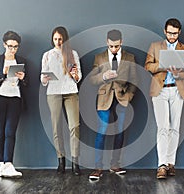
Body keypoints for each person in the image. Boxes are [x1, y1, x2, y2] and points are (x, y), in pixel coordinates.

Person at [145, 18, 184, 179]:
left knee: (175, 127)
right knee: (163, 127)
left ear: (179, 32)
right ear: (165, 31)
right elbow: (148, 66)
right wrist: (163, 66)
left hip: (177, 91)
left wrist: (178, 73)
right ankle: (162, 165)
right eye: (169, 33)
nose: (172, 36)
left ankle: (171, 163)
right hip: (160, 91)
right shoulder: (155, 46)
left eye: (175, 33)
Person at [89, 29, 138, 181]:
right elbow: (91, 80)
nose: (114, 49)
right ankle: (98, 167)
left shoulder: (130, 57)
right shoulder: (99, 57)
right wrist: (103, 76)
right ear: (107, 42)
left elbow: (135, 81)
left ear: (121, 42)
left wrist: (128, 97)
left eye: (116, 46)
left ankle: (115, 165)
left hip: (122, 99)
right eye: (111, 46)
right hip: (104, 99)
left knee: (120, 132)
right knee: (102, 131)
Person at [41, 26, 82, 175]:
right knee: (56, 127)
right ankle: (61, 160)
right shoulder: (47, 55)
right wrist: (44, 78)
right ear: (52, 39)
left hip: (71, 91)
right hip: (53, 92)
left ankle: (75, 163)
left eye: (60, 39)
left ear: (65, 39)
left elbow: (79, 78)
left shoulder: (73, 54)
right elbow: (43, 78)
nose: (58, 42)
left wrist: (74, 74)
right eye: (55, 39)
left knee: (74, 126)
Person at [0, 31, 28, 177]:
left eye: (16, 47)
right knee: (0, 132)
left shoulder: (21, 60)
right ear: (4, 44)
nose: (12, 49)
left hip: (15, 98)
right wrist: (2, 74)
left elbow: (26, 84)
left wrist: (23, 78)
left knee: (10, 132)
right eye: (10, 46)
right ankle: (2, 165)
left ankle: (9, 164)